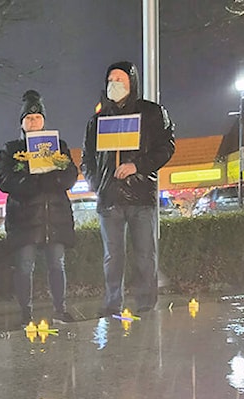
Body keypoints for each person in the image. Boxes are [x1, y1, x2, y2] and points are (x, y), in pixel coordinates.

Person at [82, 61, 175, 316]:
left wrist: (137, 166)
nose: (114, 83)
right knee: (113, 257)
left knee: (146, 254)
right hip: (109, 199)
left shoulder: (152, 113)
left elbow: (166, 148)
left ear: (132, 82)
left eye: (120, 79)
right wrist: (96, 183)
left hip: (141, 196)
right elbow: (87, 158)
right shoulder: (97, 120)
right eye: (110, 79)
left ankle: (146, 303)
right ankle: (113, 303)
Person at [0, 90, 79, 326]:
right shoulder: (11, 150)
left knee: (57, 265)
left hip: (54, 217)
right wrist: (33, 182)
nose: (33, 122)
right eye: (28, 118)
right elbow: (3, 179)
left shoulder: (58, 146)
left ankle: (60, 309)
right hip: (24, 219)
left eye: (37, 117)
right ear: (21, 123)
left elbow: (71, 174)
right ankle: (25, 314)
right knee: (24, 267)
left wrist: (49, 180)